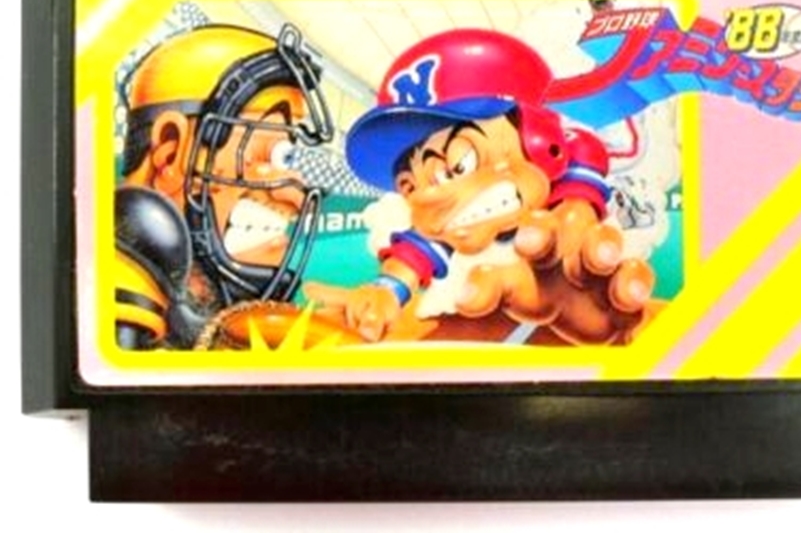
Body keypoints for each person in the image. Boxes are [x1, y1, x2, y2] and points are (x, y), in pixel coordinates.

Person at [316, 28, 656, 345]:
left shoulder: (571, 167)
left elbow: (581, 169)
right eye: (410, 185)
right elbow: (418, 249)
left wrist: (576, 218)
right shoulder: (449, 214)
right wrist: (385, 290)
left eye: (459, 163)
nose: (429, 195)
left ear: (537, 138)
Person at [113, 23, 335, 349]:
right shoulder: (117, 288)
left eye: (286, 158)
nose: (295, 197)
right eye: (259, 154)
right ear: (170, 150)